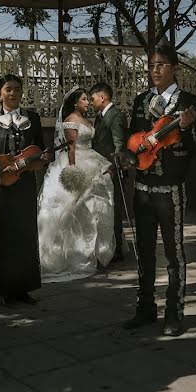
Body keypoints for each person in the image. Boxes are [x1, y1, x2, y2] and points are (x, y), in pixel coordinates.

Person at [122, 44, 196, 337]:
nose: (154, 70)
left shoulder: (191, 103)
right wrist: (128, 155)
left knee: (174, 254)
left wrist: (185, 129)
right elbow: (134, 138)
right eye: (151, 65)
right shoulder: (141, 100)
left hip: (170, 189)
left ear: (174, 67)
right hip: (142, 188)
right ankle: (145, 308)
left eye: (160, 64)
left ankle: (174, 312)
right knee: (143, 251)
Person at [0, 74, 50, 307]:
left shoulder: (33, 119)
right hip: (1, 188)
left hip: (25, 186)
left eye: (17, 89)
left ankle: (23, 288)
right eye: (8, 89)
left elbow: (40, 150)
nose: (13, 93)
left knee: (25, 237)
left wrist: (43, 159)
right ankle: (5, 288)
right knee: (3, 238)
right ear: (0, 93)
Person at [37, 87, 116, 281]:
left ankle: (91, 252)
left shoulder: (85, 119)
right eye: (84, 99)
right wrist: (72, 171)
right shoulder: (71, 120)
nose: (88, 102)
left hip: (92, 159)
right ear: (75, 102)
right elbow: (71, 147)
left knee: (94, 208)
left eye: (88, 99)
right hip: (77, 162)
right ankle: (72, 253)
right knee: (73, 208)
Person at [89, 82, 129, 262]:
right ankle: (105, 246)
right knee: (103, 209)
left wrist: (114, 168)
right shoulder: (100, 117)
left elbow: (119, 145)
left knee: (114, 209)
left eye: (93, 98)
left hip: (111, 171)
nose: (91, 102)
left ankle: (117, 249)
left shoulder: (116, 116)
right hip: (99, 169)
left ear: (102, 97)